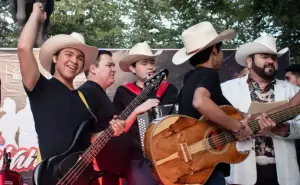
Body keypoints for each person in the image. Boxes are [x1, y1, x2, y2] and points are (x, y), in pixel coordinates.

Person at [17, 1, 125, 174]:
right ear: (55, 58)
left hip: (83, 177)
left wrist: (112, 131)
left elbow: (91, 139)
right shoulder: (40, 87)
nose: (74, 61)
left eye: (80, 58)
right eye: (68, 54)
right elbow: (23, 48)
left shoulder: (84, 98)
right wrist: (36, 14)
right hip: (52, 177)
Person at [171, 21, 268, 185]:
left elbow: (219, 110)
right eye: (221, 50)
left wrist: (247, 118)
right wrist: (237, 128)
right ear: (215, 49)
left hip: (194, 164)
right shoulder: (209, 74)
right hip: (207, 168)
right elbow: (200, 102)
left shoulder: (189, 78)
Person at [221, 35, 300, 185]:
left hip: (283, 173)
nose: (271, 61)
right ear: (249, 61)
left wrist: (286, 130)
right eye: (264, 56)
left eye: (274, 58)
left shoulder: (292, 89)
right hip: (242, 172)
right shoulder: (227, 89)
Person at [79, 50, 162, 185]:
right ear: (93, 68)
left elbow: (114, 130)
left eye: (113, 66)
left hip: (112, 170)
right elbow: (88, 136)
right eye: (109, 65)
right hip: (99, 171)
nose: (113, 69)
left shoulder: (98, 92)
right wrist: (137, 111)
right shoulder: (88, 92)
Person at [113, 41, 178, 185]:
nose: (150, 67)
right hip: (137, 158)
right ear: (133, 68)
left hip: (170, 155)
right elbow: (117, 130)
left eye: (152, 62)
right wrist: (137, 111)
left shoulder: (169, 89)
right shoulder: (123, 92)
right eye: (144, 63)